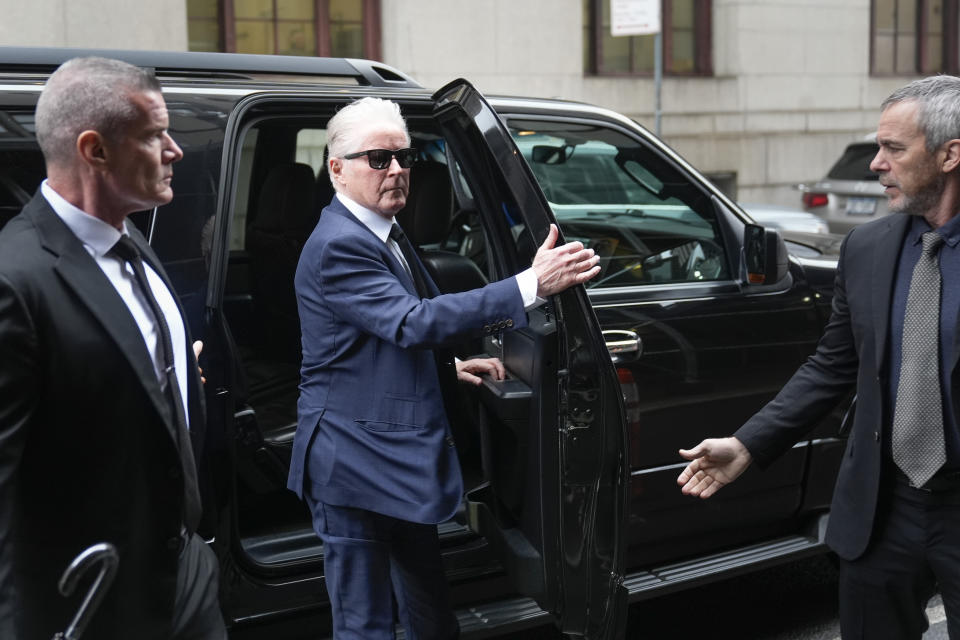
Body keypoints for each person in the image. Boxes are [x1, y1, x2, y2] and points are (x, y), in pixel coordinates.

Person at [287, 97, 600, 639]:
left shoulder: (382, 229)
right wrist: (531, 284)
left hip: (389, 457)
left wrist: (445, 365)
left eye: (404, 158)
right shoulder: (340, 244)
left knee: (429, 612)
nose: (398, 171)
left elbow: (376, 335)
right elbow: (411, 321)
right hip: (351, 463)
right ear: (336, 168)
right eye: (378, 160)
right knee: (366, 625)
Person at [677, 75, 960, 639]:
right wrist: (748, 444)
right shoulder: (867, 248)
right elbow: (833, 365)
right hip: (883, 510)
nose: (876, 163)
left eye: (893, 149)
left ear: (950, 154)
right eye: (877, 146)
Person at [0, 57, 225, 639]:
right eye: (155, 135)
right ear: (95, 150)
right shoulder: (14, 279)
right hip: (87, 603)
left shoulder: (134, 245)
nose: (175, 150)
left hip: (185, 574)